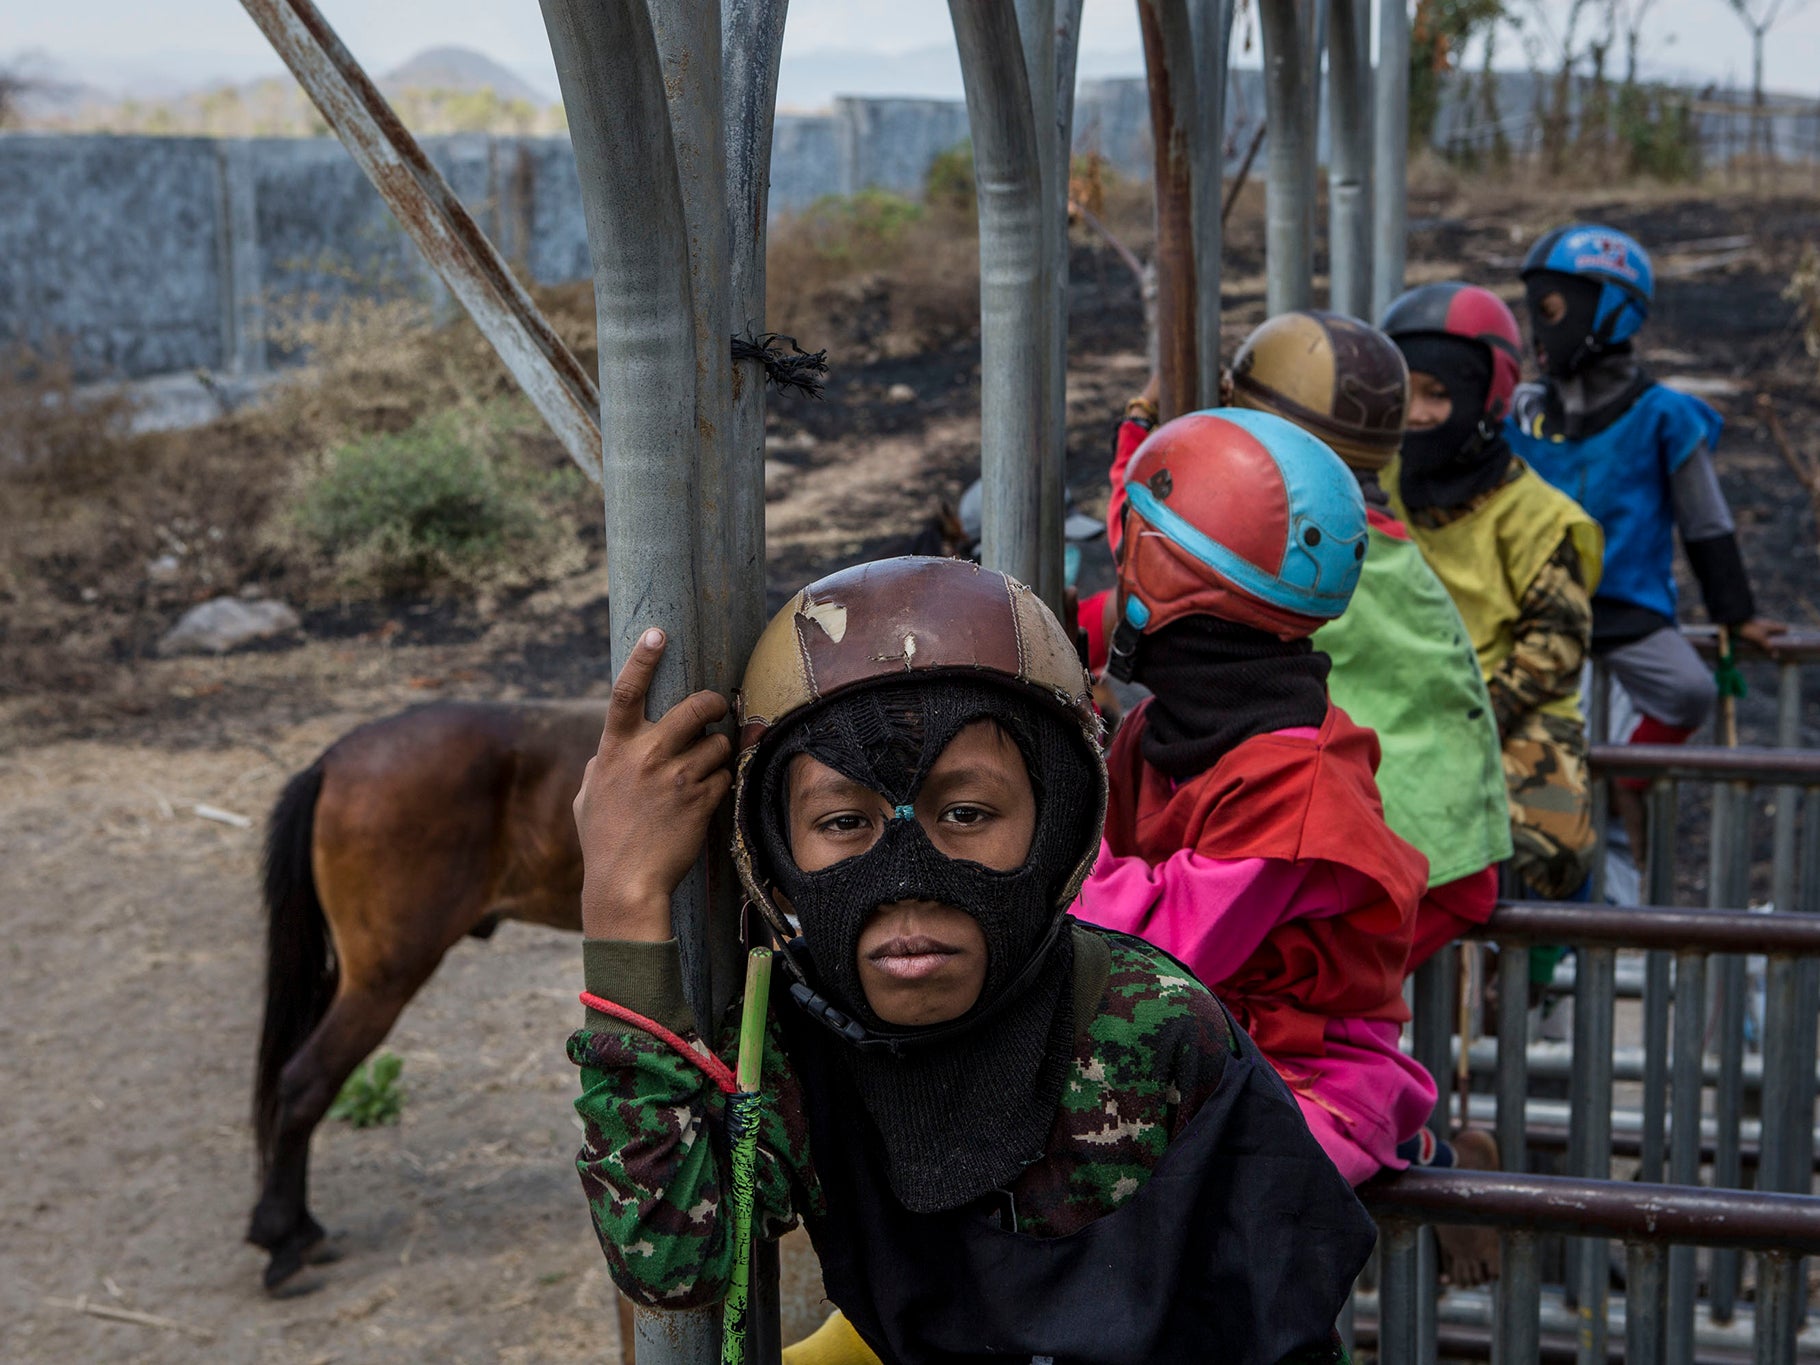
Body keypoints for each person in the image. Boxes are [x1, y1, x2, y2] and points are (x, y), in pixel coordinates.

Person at [568, 556, 1374, 1365]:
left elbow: (1286, 1329)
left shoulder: (1155, 1023)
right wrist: (622, 898)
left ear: (1055, 825)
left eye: (966, 812)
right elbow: (672, 1264)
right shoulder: (795, 1042)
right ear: (779, 853)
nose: (908, 886)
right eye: (845, 822)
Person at [1070, 408, 1434, 1200]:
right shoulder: (1165, 731)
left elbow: (1155, 945)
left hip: (1306, 1086)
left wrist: (1036, 812)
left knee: (1105, 1195)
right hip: (1201, 1049)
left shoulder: (1298, 787)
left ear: (1159, 576)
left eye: (1130, 552)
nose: (1118, 579)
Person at [1227, 311, 1513, 970]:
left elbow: (1156, 581)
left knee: (1269, 998)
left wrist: (1142, 440)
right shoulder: (1375, 538)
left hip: (1411, 857)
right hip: (1438, 844)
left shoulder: (1307, 553)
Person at [1507, 224, 1784, 856]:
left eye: (1552, 312)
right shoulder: (1524, 412)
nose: (1539, 331)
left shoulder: (1664, 415)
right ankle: (1543, 908)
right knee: (1531, 760)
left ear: (1608, 311)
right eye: (1534, 314)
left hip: (1627, 605)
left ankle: (1627, 777)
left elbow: (1706, 519)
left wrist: (1733, 614)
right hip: (1538, 609)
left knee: (1689, 689)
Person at [1380, 282, 1605, 904]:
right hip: (1389, 701)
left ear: (1489, 398)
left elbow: (1555, 646)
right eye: (1407, 393)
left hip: (1511, 713)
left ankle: (1530, 981)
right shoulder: (1372, 486)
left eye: (1439, 394)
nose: (1418, 414)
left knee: (1551, 849)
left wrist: (1470, 722)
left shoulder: (1539, 517)